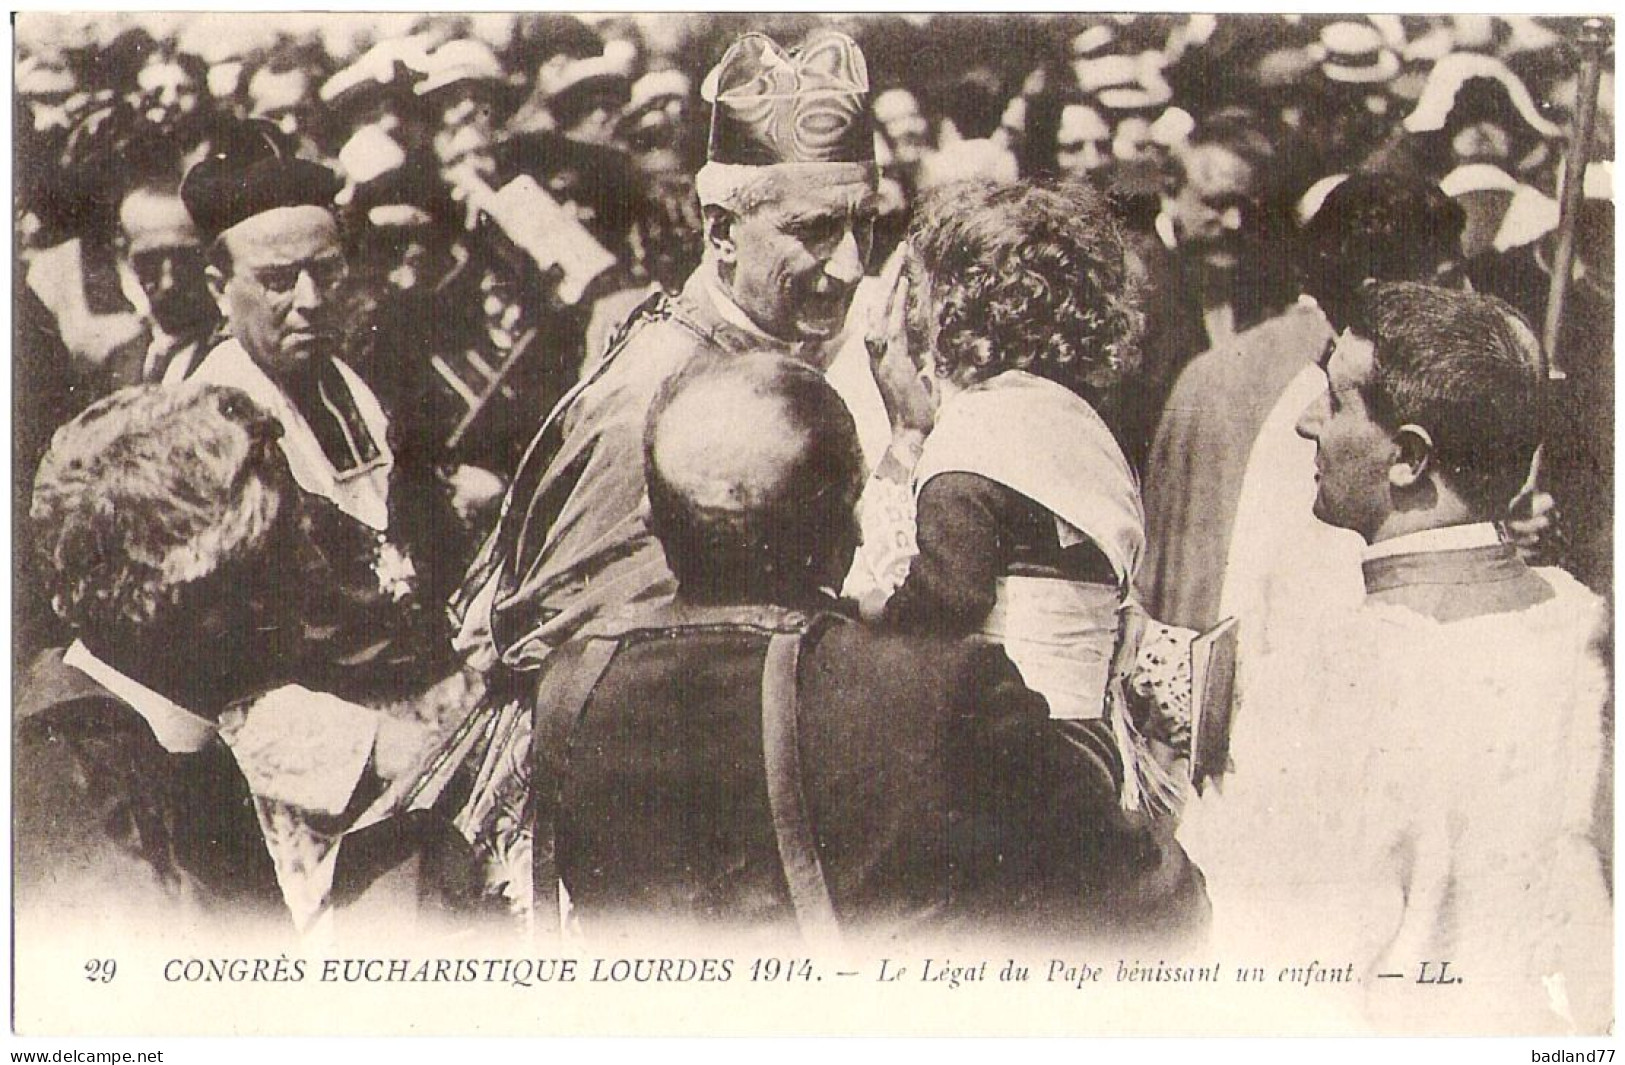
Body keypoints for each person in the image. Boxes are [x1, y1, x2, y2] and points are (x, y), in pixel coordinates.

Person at [523, 351, 1207, 945]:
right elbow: (1158, 908)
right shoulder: (942, 689)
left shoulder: (574, 685)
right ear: (847, 526)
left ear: (651, 519)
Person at [1177, 283, 1611, 1034]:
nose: (1308, 423)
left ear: (1408, 457)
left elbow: (1264, 970)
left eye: (1338, 403)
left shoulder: (1333, 676)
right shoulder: (1586, 626)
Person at [454, 29, 883, 671]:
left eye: (864, 223)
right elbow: (550, 634)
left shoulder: (798, 338)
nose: (849, 266)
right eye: (816, 230)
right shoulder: (654, 392)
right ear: (721, 231)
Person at [14, 385, 478, 947]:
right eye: (287, 547)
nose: (316, 566)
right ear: (202, 598)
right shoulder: (110, 870)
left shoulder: (131, 741)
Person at [183, 118, 468, 691]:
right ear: (218, 286)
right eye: (277, 281)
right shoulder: (207, 426)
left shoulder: (360, 374)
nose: (310, 301)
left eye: (326, 271)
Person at [1141, 171, 1465, 632]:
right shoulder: (1327, 413)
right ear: (1379, 291)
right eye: (1450, 280)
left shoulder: (1402, 394)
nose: (1468, 297)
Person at [880, 180, 1145, 731]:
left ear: (950, 313)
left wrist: (868, 620)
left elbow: (951, 597)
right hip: (1090, 730)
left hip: (1006, 741)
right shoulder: (1084, 429)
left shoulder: (976, 442)